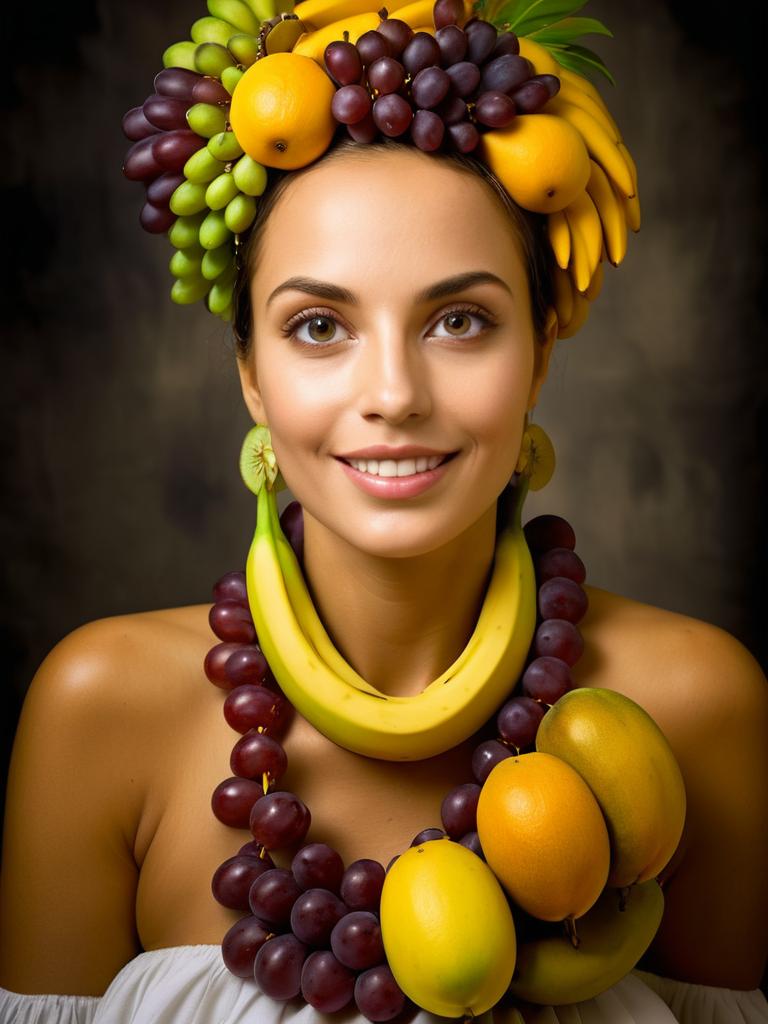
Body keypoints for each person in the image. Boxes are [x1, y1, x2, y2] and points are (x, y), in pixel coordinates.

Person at [1, 2, 767, 1022]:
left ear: (539, 352)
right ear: (251, 379)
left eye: (460, 320)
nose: (395, 392)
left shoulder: (699, 710)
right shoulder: (95, 714)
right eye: (320, 325)